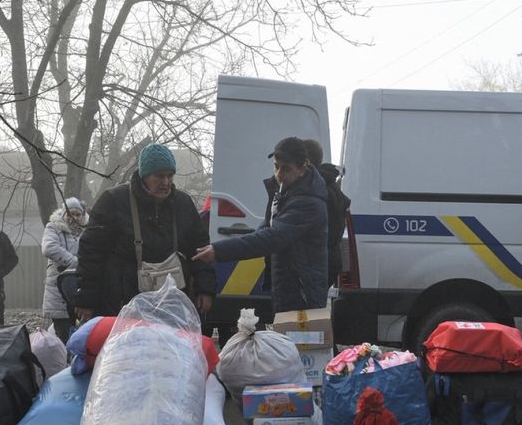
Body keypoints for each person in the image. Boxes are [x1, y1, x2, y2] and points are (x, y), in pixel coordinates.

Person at [74, 143, 215, 321]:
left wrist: (205, 289)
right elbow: (91, 253)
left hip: (170, 306)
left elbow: (199, 249)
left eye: (170, 176)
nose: (166, 183)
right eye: (159, 176)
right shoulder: (114, 202)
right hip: (121, 305)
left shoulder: (183, 204)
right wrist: (87, 299)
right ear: (144, 175)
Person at [193, 136, 328, 313]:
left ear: (302, 168)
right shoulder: (286, 193)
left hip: (303, 293)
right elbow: (264, 231)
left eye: (286, 169)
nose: (279, 174)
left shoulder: (308, 203)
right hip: (289, 288)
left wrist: (219, 251)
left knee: (297, 341)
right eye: (276, 166)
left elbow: (271, 237)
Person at [302, 138, 351, 287]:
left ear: (306, 162)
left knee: (305, 309)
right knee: (310, 309)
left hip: (314, 265)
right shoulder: (328, 186)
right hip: (325, 263)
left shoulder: (316, 191)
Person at [41, 197, 88, 341]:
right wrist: (76, 263)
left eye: (78, 214)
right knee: (63, 334)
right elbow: (49, 248)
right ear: (63, 215)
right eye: (70, 213)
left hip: (81, 289)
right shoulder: (53, 227)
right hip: (57, 291)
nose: (74, 217)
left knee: (84, 334)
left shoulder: (88, 231)